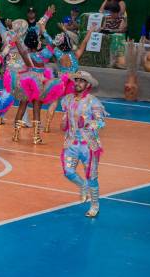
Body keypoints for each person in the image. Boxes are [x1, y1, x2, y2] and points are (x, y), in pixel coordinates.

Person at [60, 71, 107, 217]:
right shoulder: (67, 99)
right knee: (68, 172)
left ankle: (95, 206)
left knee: (92, 177)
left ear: (87, 85)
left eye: (82, 81)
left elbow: (101, 122)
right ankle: (83, 185)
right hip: (71, 143)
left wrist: (87, 123)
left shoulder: (93, 101)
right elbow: (65, 120)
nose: (78, 83)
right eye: (77, 80)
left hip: (88, 145)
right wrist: (63, 123)